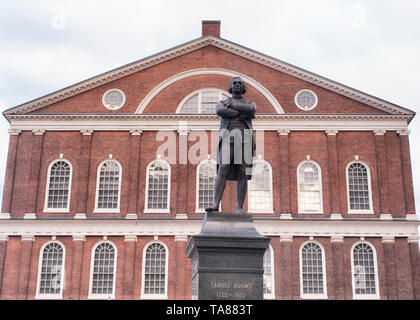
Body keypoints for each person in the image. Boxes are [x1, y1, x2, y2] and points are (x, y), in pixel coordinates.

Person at [205, 77, 256, 213]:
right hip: (228, 138)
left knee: (243, 173)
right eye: (235, 83)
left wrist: (233, 107)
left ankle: (239, 207)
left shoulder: (249, 103)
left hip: (245, 139)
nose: (237, 85)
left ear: (243, 87)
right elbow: (220, 111)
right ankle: (215, 204)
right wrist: (240, 113)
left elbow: (251, 109)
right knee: (223, 168)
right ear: (231, 87)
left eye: (240, 83)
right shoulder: (223, 102)